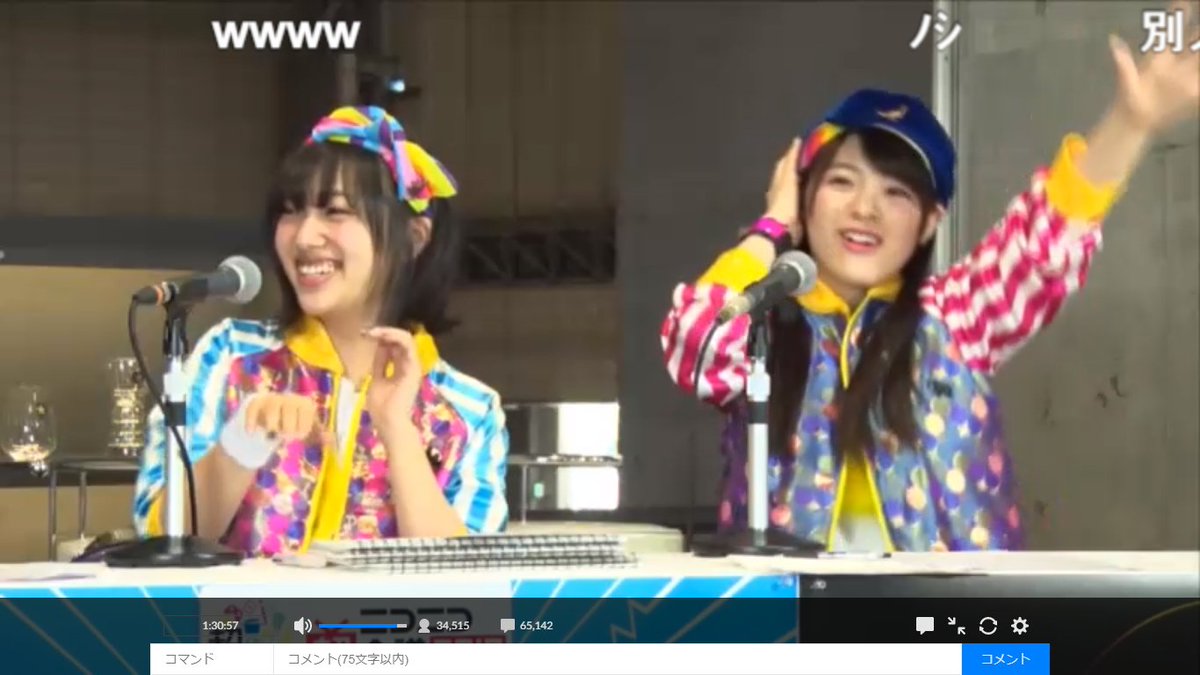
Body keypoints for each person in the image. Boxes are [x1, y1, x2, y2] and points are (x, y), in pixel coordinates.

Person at [662, 25, 1199, 552]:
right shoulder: (765, 331)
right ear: (805, 197)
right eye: (842, 181)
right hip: (796, 611)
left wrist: (1130, 123)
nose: (865, 208)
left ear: (928, 222)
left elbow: (1045, 239)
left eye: (896, 192)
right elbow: (698, 341)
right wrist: (771, 229)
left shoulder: (957, 317)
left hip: (949, 611)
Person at [132, 106, 509, 557]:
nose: (304, 236)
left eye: (335, 212)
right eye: (290, 211)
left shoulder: (470, 409)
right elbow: (160, 542)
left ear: (413, 238)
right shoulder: (229, 355)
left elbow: (469, 581)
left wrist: (397, 429)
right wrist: (244, 439)